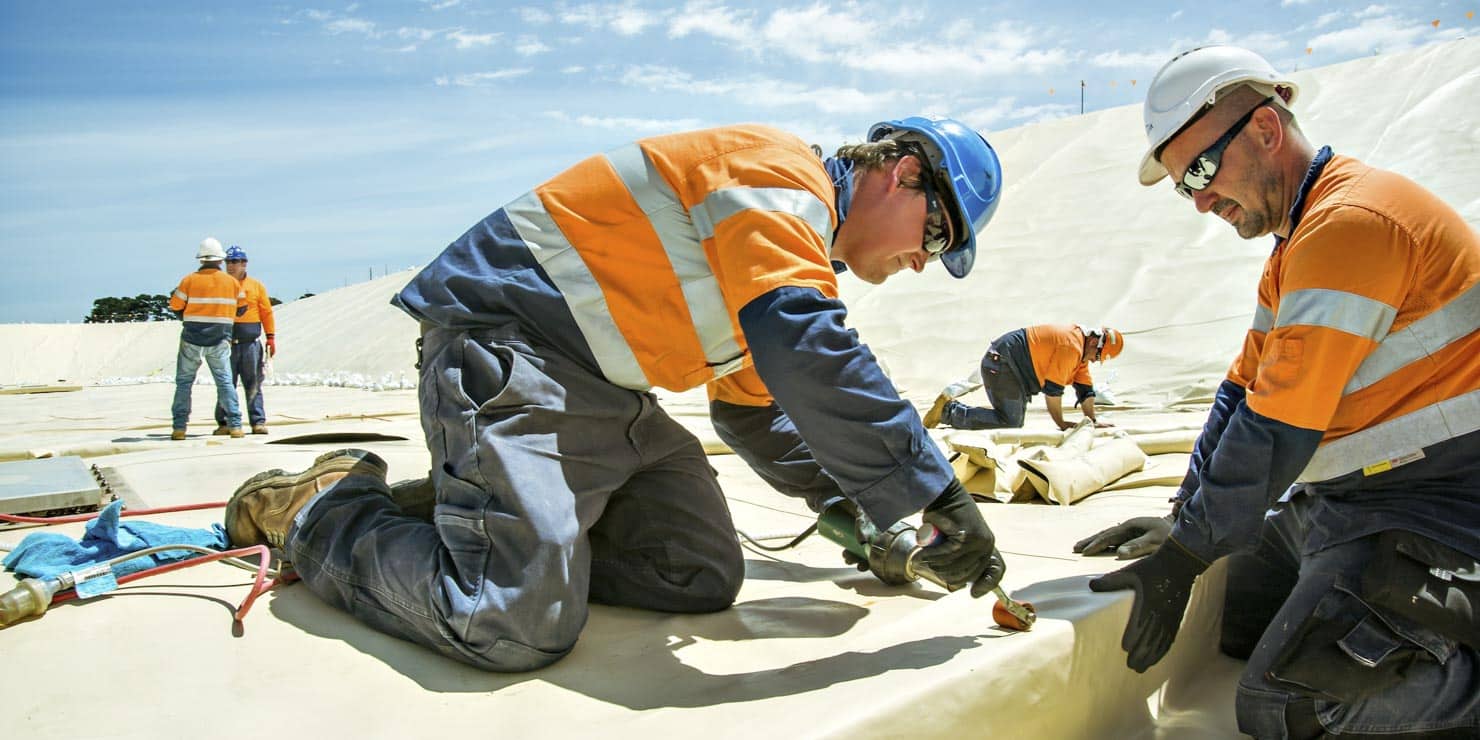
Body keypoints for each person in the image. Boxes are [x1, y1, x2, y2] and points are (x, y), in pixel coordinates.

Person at [223, 118, 1010, 672]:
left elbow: (756, 414)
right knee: (508, 622)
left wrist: (875, 520)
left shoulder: (780, 262)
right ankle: (321, 511)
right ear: (902, 173)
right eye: (938, 236)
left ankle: (478, 507)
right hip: (510, 352)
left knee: (696, 572)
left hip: (606, 396)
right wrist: (931, 492)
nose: (924, 261)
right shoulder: (779, 176)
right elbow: (809, 350)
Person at [1080, 45, 1480, 739]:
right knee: (1228, 615)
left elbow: (1277, 430)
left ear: (1266, 129)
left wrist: (1185, 556)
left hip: (1440, 506)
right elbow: (1240, 394)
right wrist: (1187, 520)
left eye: (1201, 170)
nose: (1200, 199)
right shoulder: (1295, 244)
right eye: (1185, 187)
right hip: (1347, 498)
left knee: (1290, 705)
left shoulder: (1355, 222)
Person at [922, 324, 1123, 431]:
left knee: (1012, 419)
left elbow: (1085, 390)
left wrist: (1092, 419)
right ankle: (948, 412)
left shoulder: (1080, 354)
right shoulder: (1071, 347)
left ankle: (949, 411)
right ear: (1094, 342)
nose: (1096, 361)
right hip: (1001, 365)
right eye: (1098, 356)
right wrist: (1061, 424)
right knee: (1010, 422)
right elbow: (1053, 391)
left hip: (1009, 368)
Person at [168, 237, 247, 440]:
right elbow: (242, 308)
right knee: (225, 382)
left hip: (192, 338)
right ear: (220, 260)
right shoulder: (231, 282)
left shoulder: (189, 280)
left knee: (184, 383)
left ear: (201, 259)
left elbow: (175, 306)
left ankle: (179, 428)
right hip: (220, 338)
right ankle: (235, 426)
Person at [214, 245, 276, 435]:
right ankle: (224, 423)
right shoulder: (220, 285)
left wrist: (270, 337)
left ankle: (257, 422)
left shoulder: (256, 286)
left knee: (253, 384)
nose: (230, 266)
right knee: (226, 384)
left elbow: (266, 312)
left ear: (244, 263)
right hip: (226, 344)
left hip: (250, 343)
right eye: (228, 262)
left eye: (234, 262)